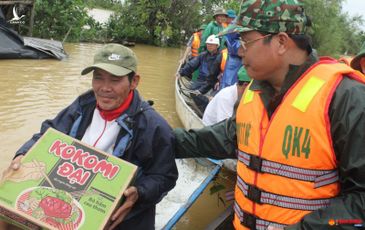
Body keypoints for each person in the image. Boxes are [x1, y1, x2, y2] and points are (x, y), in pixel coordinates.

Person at [174, 1, 365, 229]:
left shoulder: (346, 98)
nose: (239, 50)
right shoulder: (253, 91)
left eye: (245, 41)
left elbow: (360, 205)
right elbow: (225, 138)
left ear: (281, 42)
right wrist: (161, 139)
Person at [7, 44, 178, 230]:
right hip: (71, 199)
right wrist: (23, 154)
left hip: (120, 219)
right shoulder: (82, 105)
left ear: (134, 81)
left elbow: (164, 176)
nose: (104, 88)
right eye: (98, 78)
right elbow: (49, 133)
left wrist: (139, 192)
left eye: (115, 80)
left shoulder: (154, 126)